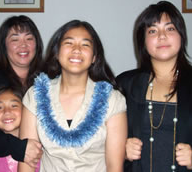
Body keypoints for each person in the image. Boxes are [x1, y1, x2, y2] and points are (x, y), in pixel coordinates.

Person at [18, 20, 127, 172]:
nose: (76, 49)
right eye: (69, 43)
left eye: (85, 44)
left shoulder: (112, 99)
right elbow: (27, 162)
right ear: (57, 52)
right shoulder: (35, 95)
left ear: (94, 57)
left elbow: (114, 167)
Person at [117, 1, 192, 172]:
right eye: (152, 31)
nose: (162, 36)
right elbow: (101, 141)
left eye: (170, 28)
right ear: (143, 41)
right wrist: (121, 151)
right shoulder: (124, 84)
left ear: (181, 35)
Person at [0, 15, 43, 168]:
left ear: (37, 44)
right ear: (4, 46)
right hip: (1, 162)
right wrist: (18, 147)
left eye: (29, 38)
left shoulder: (48, 80)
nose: (23, 45)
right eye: (15, 39)